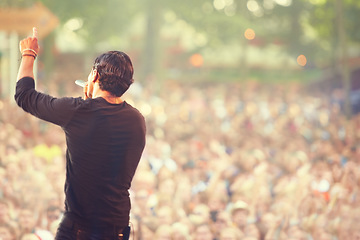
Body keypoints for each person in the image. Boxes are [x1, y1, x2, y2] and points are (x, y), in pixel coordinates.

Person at [15, 28, 146, 240]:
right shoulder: (137, 120)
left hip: (80, 229)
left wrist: (29, 53)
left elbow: (24, 96)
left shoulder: (78, 112)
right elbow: (104, 132)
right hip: (117, 227)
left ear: (94, 75)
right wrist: (90, 102)